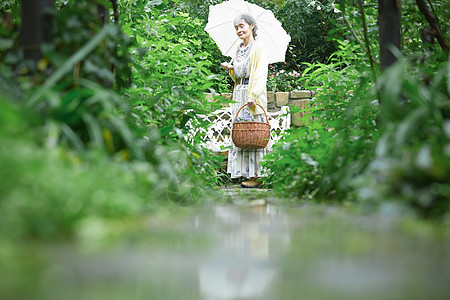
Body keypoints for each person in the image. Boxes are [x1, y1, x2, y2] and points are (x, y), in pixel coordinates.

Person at [220, 13, 269, 188]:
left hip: (251, 95)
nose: (239, 30)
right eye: (236, 28)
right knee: (242, 133)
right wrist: (232, 68)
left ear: (251, 26)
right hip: (239, 93)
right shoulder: (239, 48)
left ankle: (258, 176)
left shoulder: (259, 47)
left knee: (255, 132)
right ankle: (246, 174)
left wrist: (253, 96)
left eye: (242, 26)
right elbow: (240, 73)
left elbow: (260, 72)